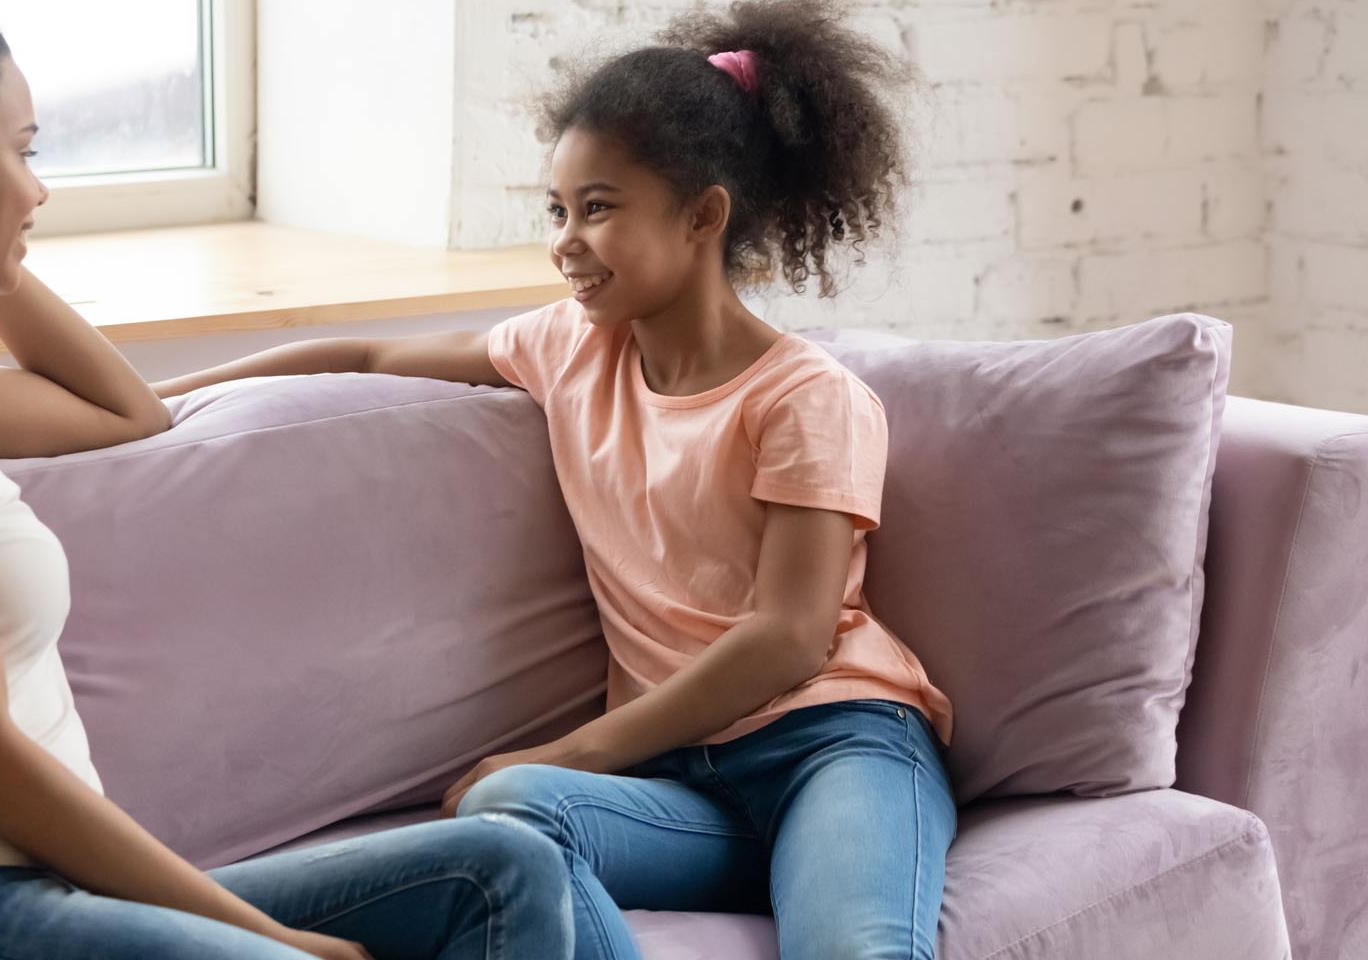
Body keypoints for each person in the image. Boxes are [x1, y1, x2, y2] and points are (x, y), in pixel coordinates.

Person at [0, 2, 575, 957]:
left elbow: (128, 415)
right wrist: (275, 941)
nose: (38, 191)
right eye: (22, 152)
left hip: (21, 889)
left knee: (499, 872)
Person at [152, 3, 957, 958]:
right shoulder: (568, 348)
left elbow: (787, 639)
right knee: (508, 808)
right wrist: (157, 401)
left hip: (834, 746)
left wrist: (570, 750)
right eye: (559, 210)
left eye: (600, 207)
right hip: (682, 787)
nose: (565, 241)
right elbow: (366, 353)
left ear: (704, 215)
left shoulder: (806, 399)